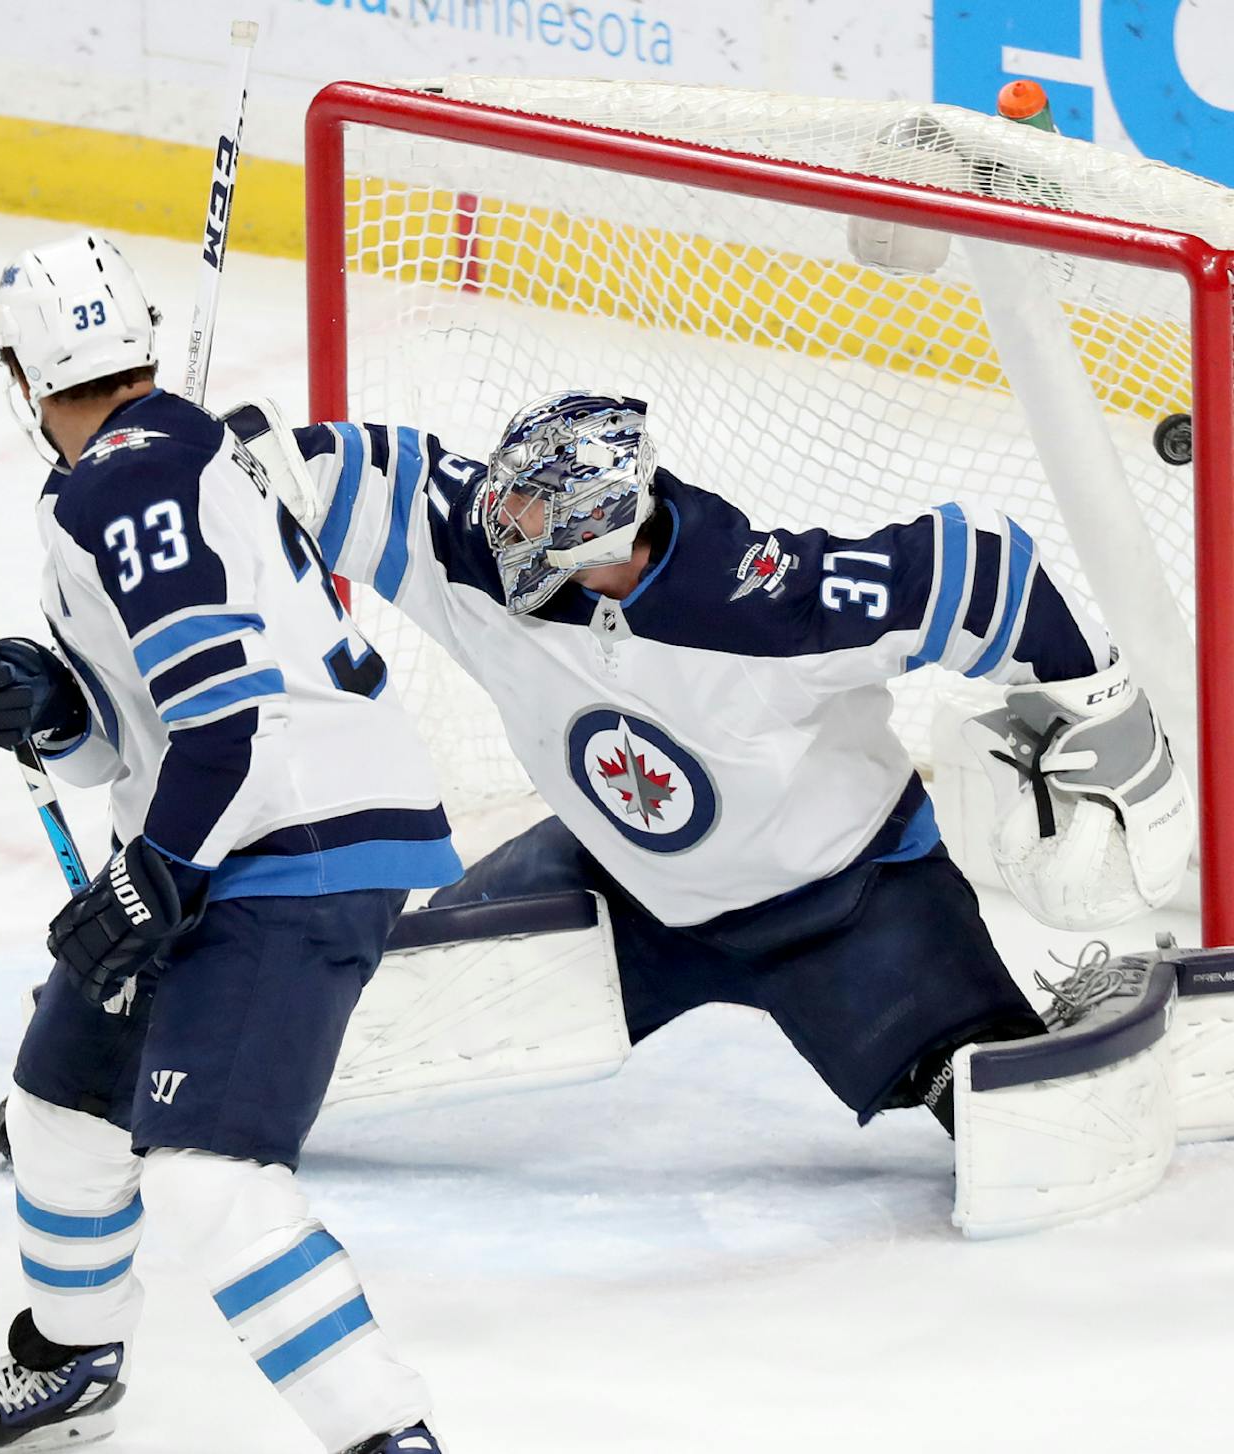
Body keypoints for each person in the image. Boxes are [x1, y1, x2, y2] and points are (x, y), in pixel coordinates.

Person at [235, 388, 1190, 1137]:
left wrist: (1102, 706)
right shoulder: (476, 548)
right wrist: (198, 477)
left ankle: (1094, 1017)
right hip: (623, 884)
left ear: (602, 531)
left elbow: (987, 574)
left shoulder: (765, 605)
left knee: (1018, 1121)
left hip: (848, 904)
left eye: (534, 514)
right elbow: (340, 471)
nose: (503, 525)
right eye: (509, 499)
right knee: (381, 1002)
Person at [0, 231, 459, 1454]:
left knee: (209, 1175)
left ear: (21, 373)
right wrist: (47, 700)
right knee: (62, 1099)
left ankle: (388, 1435)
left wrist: (157, 875)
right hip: (243, 824)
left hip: (291, 840)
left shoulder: (125, 481)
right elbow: (139, 734)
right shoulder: (158, 456)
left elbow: (227, 722)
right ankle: (72, 1355)